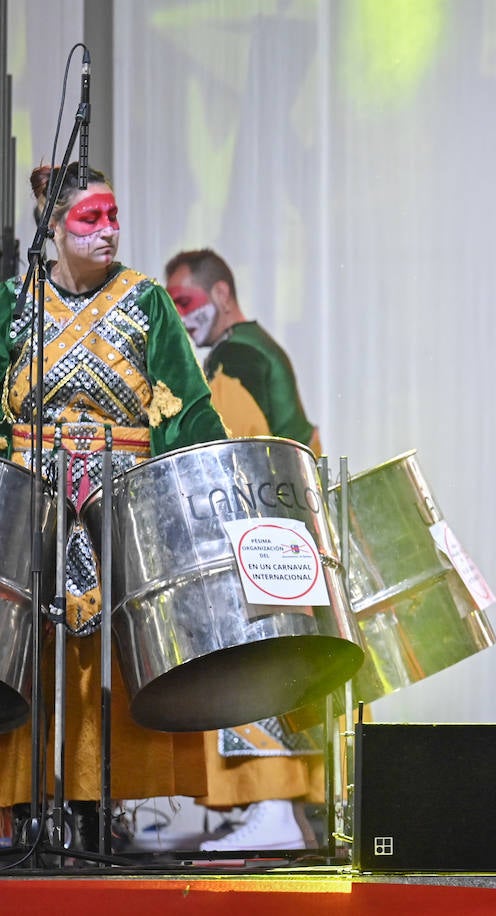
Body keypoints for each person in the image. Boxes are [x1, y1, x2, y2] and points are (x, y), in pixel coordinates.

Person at [0, 165, 227, 849]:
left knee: (113, 640)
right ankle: (29, 805)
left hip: (121, 496)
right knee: (26, 641)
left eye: (114, 216)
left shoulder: (147, 301)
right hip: (26, 499)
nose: (110, 231)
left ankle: (103, 805)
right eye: (91, 219)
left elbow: (188, 412)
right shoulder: (13, 304)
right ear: (52, 228)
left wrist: (211, 498)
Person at [164, 248, 320, 851]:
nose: (181, 316)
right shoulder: (263, 351)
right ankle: (278, 810)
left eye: (186, 302)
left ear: (221, 295)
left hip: (254, 533)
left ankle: (273, 806)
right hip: (285, 529)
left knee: (245, 663)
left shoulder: (233, 360)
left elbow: (220, 454)